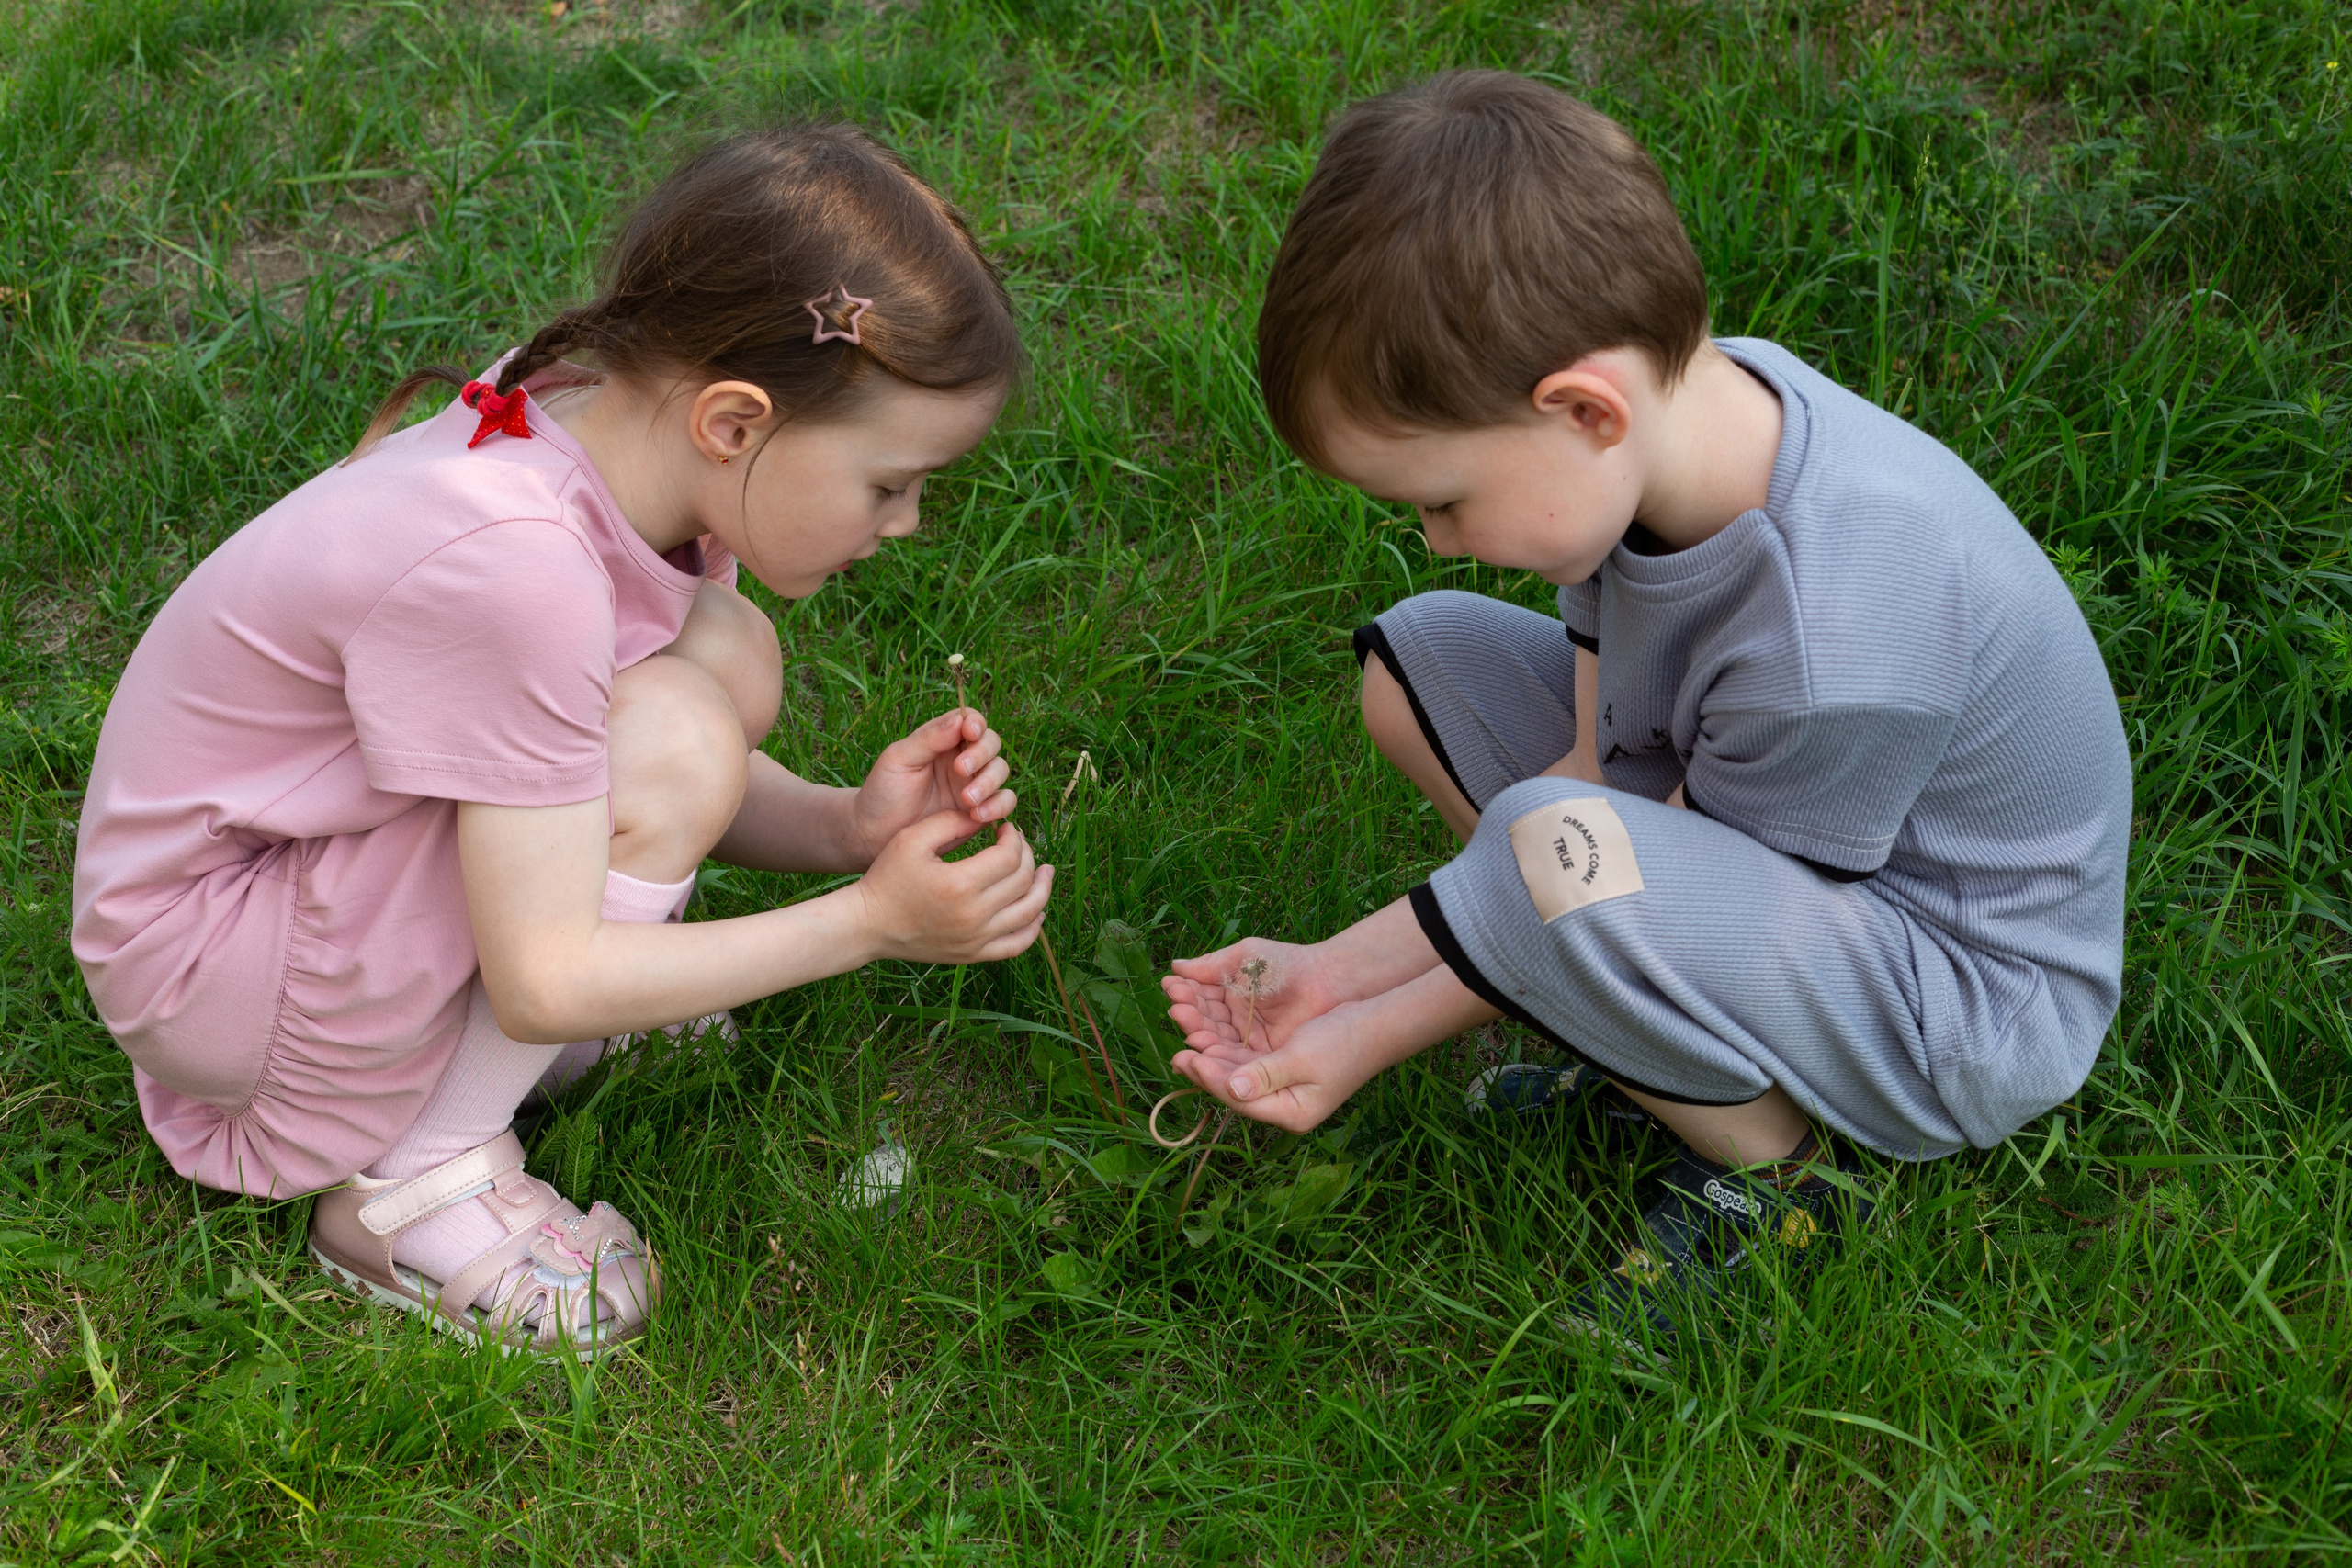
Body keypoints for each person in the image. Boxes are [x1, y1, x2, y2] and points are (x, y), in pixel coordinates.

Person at [1160, 72, 2130, 1361]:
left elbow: (1592, 856)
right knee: (1417, 665)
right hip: (1773, 880)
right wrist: (1334, 972)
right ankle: (1645, 1044)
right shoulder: (1659, 446)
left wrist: (1357, 1029)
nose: (1439, 536)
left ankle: (1779, 1173)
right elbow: (1587, 781)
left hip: (1954, 993)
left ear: (1583, 409)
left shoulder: (1837, 628)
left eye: (1443, 499)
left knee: (1566, 872)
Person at [72, 126, 1054, 1358]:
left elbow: (605, 754)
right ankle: (411, 1181)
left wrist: (850, 830)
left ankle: (495, 1055)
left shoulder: (604, 435)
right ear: (735, 424)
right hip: (223, 978)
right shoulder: (516, 569)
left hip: (288, 884)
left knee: (721, 657)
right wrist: (867, 925)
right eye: (891, 483)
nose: (906, 523)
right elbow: (549, 972)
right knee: (686, 725)